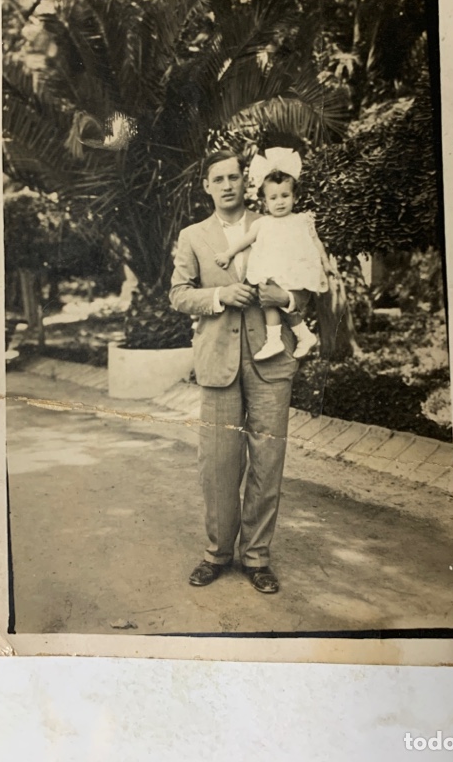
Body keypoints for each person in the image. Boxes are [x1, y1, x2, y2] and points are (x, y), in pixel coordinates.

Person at [169, 149, 299, 594]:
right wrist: (222, 295)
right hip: (218, 361)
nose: (227, 185)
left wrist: (288, 300)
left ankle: (257, 557)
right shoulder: (193, 237)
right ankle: (218, 553)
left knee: (268, 460)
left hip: (271, 357)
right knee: (219, 463)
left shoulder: (278, 223)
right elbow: (179, 295)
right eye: (218, 178)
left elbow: (308, 280)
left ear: (247, 183)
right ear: (207, 186)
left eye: (234, 178)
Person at [214, 147, 334, 361]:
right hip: (272, 269)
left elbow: (316, 242)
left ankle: (295, 336)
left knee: (280, 301)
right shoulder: (263, 223)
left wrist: (326, 264)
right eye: (273, 198)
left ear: (294, 197)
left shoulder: (302, 220)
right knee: (268, 300)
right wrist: (227, 254)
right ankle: (281, 339)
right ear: (264, 201)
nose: (280, 202)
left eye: (285, 196)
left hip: (295, 268)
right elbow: (246, 240)